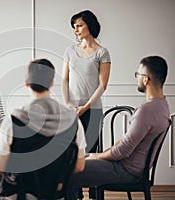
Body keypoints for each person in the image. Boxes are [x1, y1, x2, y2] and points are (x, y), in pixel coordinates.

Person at [71, 55, 170, 199]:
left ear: (146, 79)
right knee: (76, 159)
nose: (136, 77)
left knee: (69, 169)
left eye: (138, 74)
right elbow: (126, 142)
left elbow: (122, 151)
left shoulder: (147, 110)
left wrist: (97, 156)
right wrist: (96, 156)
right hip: (132, 168)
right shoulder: (162, 106)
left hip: (125, 171)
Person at [0, 58, 86, 199]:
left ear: (27, 83)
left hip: (22, 194)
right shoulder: (73, 121)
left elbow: (0, 167)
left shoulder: (13, 120)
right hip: (58, 195)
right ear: (52, 83)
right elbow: (79, 167)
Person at [62, 10, 111, 199]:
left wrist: (87, 106)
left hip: (93, 110)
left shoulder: (102, 52)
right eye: (74, 26)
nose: (76, 29)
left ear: (90, 25)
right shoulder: (70, 50)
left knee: (91, 153)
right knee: (73, 152)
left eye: (80, 25)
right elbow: (65, 80)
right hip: (72, 110)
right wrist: (68, 104)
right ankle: (76, 195)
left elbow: (103, 85)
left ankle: (94, 195)